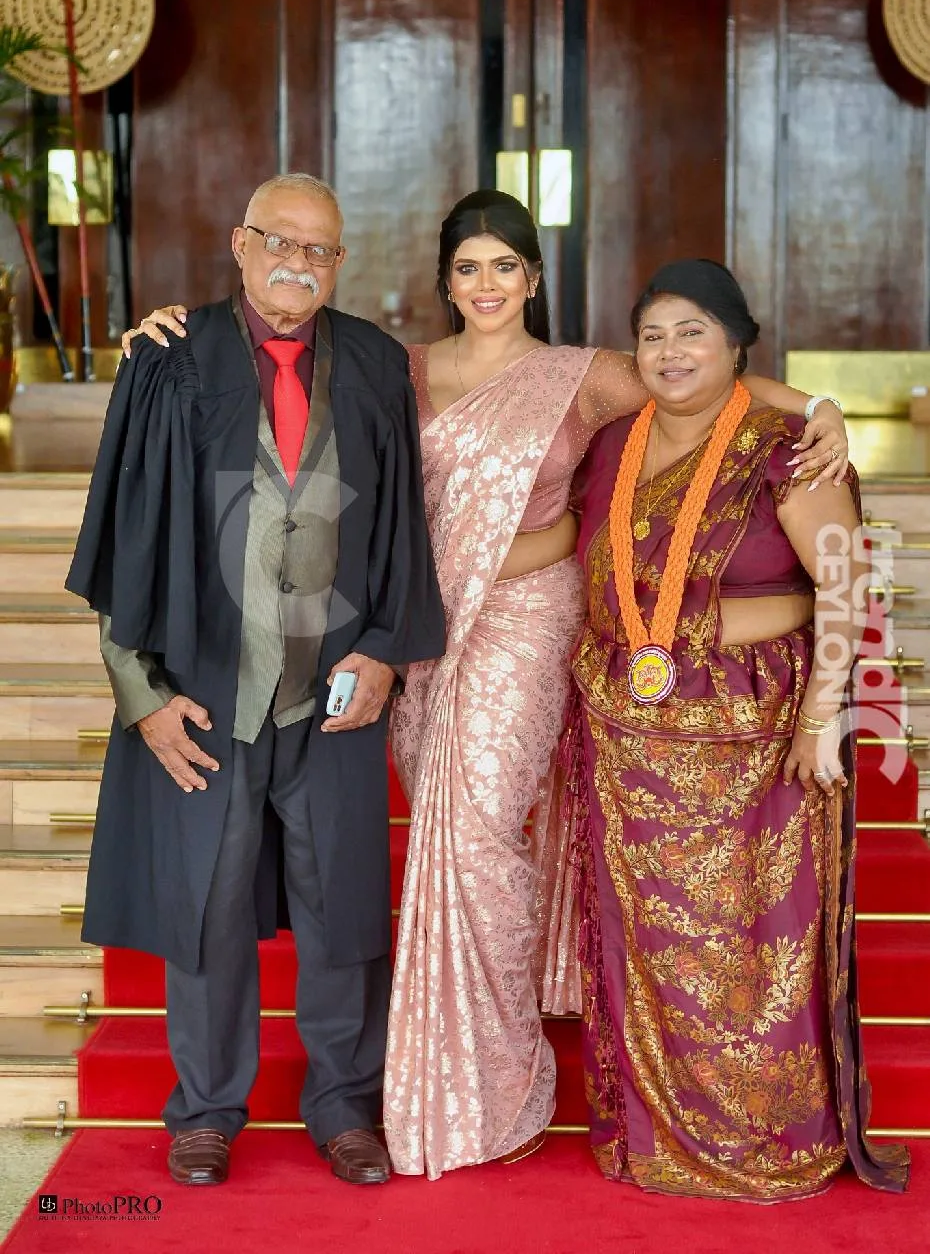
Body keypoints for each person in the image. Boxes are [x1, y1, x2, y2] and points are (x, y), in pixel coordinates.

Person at [123, 191, 851, 1182]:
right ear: (445, 279)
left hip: (520, 623)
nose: (487, 284)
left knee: (474, 839)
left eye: (505, 266)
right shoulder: (395, 366)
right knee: (428, 841)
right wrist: (161, 331)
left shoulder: (583, 375)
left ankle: (488, 1077)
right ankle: (375, 1081)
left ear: (535, 277)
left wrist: (817, 407)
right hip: (417, 636)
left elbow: (698, 377)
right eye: (468, 267)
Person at [66, 173, 446, 1189]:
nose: (299, 263)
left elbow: (405, 525)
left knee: (344, 905)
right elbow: (124, 539)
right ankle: (204, 1108)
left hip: (333, 689)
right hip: (204, 687)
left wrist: (382, 651)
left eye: (320, 249)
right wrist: (141, 694)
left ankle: (342, 1103)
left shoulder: (372, 362)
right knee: (207, 901)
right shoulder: (167, 360)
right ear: (240, 243)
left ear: (341, 263)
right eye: (280, 241)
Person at [564, 258, 909, 1200]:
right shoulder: (612, 443)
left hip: (755, 740)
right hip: (630, 738)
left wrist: (824, 713)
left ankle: (763, 1136)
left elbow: (842, 582)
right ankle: (658, 1136)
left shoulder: (786, 448)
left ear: (737, 346)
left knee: (756, 941)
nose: (671, 352)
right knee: (646, 949)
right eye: (654, 335)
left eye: (694, 332)